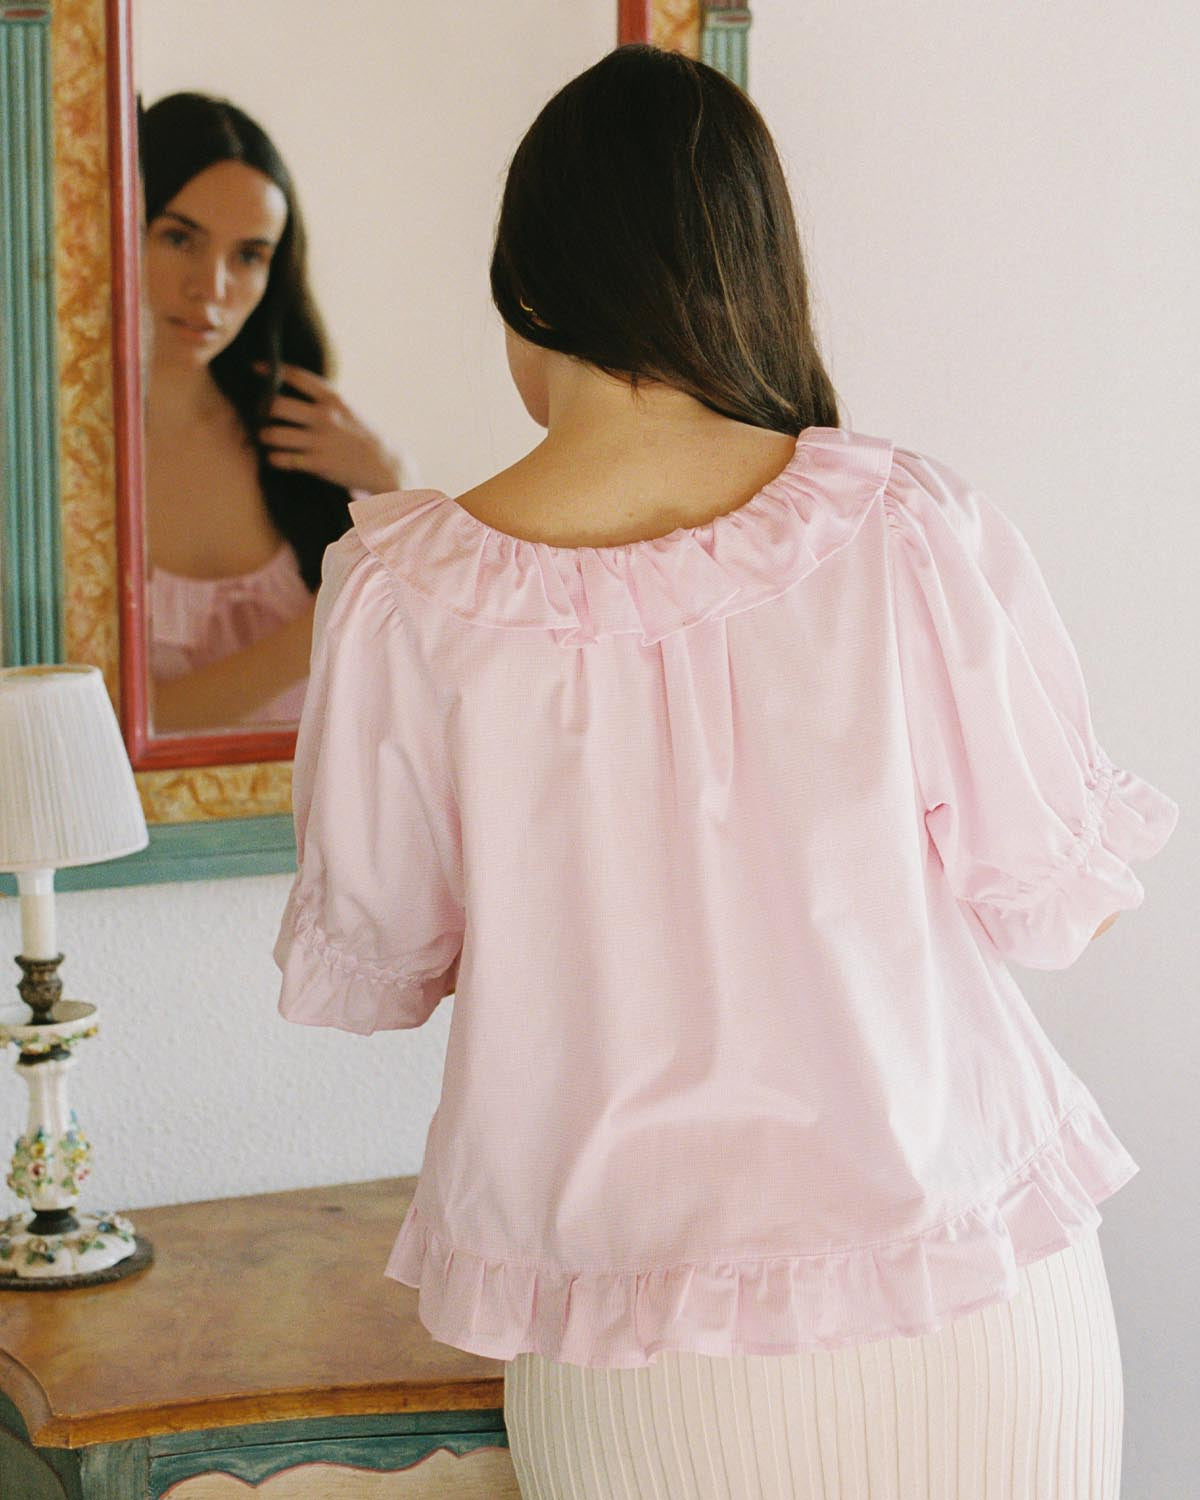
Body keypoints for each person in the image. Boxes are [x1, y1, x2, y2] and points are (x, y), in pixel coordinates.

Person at [272, 45, 1179, 1498]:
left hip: (642, 1326)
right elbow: (1054, 897)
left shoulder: (400, 598)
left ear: (527, 286)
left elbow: (386, 954)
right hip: (969, 1279)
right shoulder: (905, 527)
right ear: (751, 273)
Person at [138, 92, 414, 734]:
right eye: (179, 237)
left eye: (248, 255)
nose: (211, 288)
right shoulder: (59, 459)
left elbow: (426, 669)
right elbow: (117, 723)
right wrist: (328, 618)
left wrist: (396, 482)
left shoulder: (310, 434)